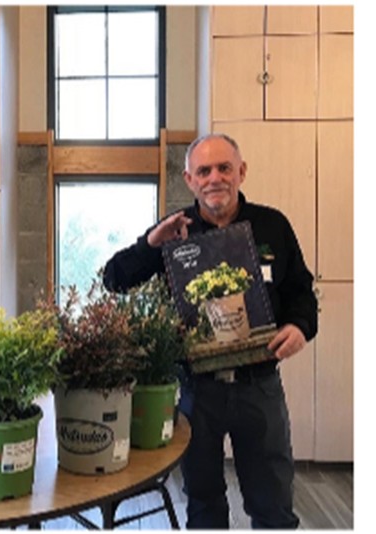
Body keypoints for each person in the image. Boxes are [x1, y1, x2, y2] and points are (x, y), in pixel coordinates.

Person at [103, 133, 317, 529]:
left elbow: (302, 292)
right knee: (203, 506)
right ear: (189, 179)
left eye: (224, 168)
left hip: (260, 386)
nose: (214, 178)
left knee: (273, 506)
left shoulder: (273, 225)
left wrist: (300, 327)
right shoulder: (174, 230)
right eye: (203, 171)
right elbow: (113, 279)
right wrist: (151, 244)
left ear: (241, 172)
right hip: (196, 391)